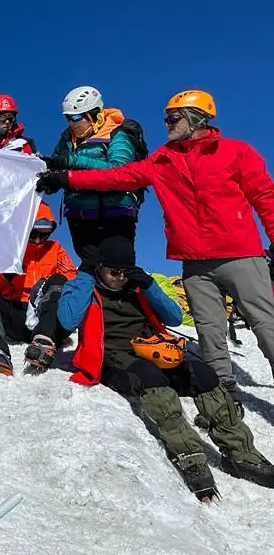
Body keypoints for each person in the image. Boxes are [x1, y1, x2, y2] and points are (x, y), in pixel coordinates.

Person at [39, 90, 274, 409]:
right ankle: (223, 394)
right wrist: (65, 176)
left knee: (265, 322)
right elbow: (115, 177)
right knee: (209, 329)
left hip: (240, 254)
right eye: (167, 117)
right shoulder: (163, 160)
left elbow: (265, 197)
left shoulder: (236, 152)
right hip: (194, 262)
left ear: (197, 119)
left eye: (173, 117)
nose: (166, 123)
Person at [58, 236, 274, 501]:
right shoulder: (83, 287)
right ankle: (189, 456)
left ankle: (241, 454)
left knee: (203, 374)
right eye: (114, 271)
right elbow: (67, 319)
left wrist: (148, 286)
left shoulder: (137, 287)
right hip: (112, 357)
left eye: (125, 272)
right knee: (152, 378)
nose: (120, 278)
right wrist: (84, 276)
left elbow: (174, 316)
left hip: (154, 348)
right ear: (99, 267)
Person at [0, 203, 75, 375]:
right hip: (17, 314)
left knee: (59, 280)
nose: (38, 240)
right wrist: (6, 275)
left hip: (49, 318)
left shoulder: (55, 249)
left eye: (44, 234)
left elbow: (71, 278)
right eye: (33, 234)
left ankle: (44, 344)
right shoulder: (11, 251)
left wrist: (45, 285)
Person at [42, 85, 144, 256]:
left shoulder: (116, 134)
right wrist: (49, 180)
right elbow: (58, 167)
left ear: (94, 114)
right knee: (91, 267)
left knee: (119, 269)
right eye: (68, 118)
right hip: (78, 215)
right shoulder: (66, 139)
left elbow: (119, 169)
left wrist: (72, 161)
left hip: (115, 212)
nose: (72, 123)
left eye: (76, 117)